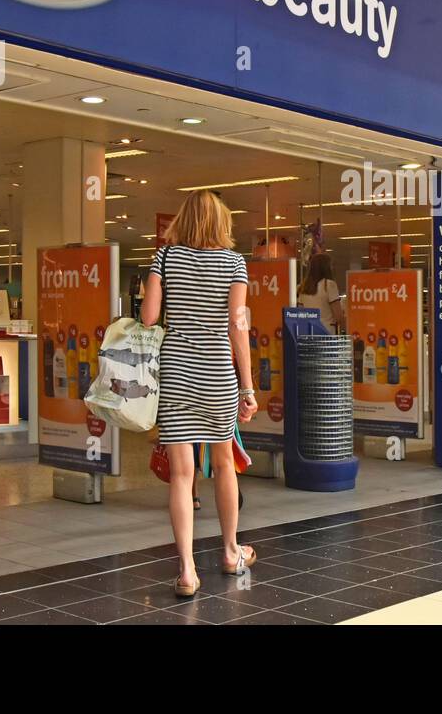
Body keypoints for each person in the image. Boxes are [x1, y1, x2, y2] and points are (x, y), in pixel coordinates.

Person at [141, 191, 259, 597]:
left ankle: (188, 570)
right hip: (217, 375)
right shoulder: (234, 264)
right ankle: (230, 551)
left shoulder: (166, 258)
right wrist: (247, 387)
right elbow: (237, 327)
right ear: (220, 221)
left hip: (176, 374)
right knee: (224, 463)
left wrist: (157, 283)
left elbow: (149, 317)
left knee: (181, 474)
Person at [298, 253, 345, 333]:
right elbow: (338, 316)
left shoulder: (304, 287)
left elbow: (300, 312)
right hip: (326, 332)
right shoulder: (329, 285)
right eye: (331, 265)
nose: (332, 267)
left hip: (309, 332)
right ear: (326, 268)